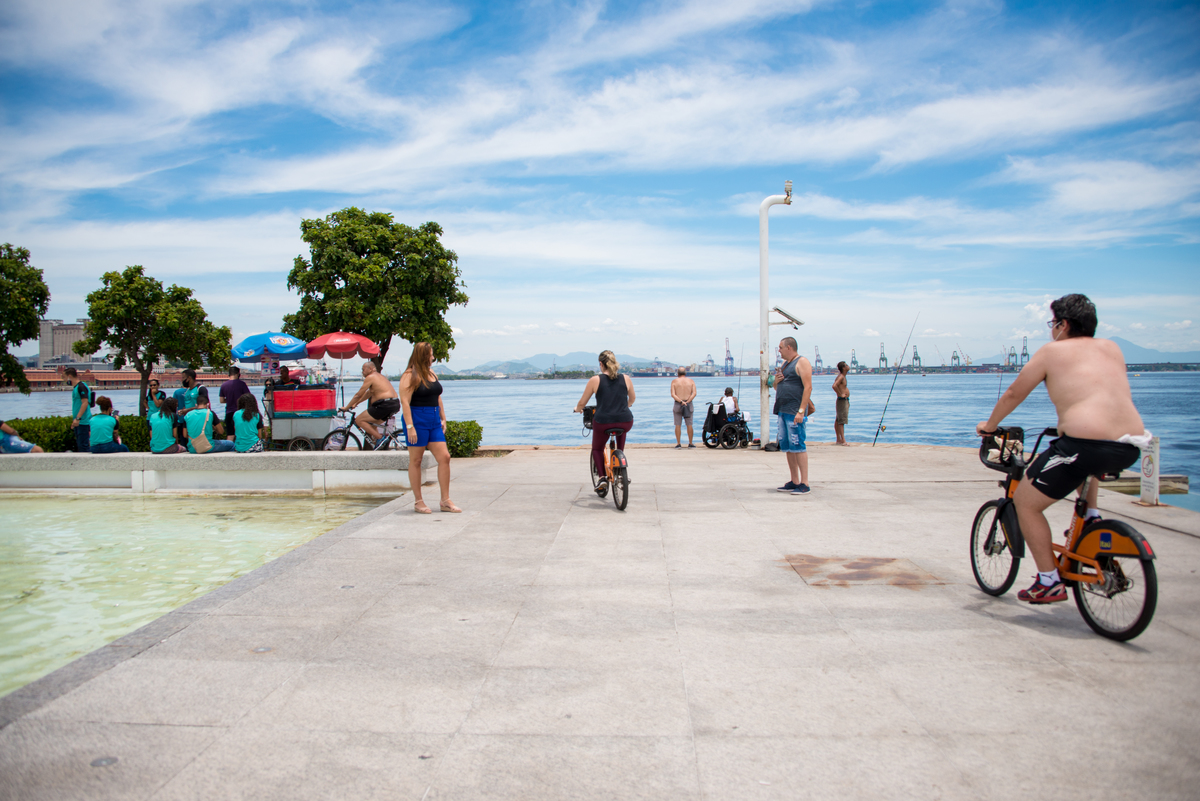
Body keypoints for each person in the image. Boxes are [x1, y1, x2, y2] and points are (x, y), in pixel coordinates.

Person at [977, 293, 1148, 604]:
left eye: (1052, 323)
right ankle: (1091, 518)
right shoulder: (1112, 348)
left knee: (1025, 504)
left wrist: (989, 426)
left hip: (1084, 445)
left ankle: (1048, 581)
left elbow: (1015, 393)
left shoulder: (1052, 352)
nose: (1051, 329)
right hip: (1129, 445)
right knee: (1087, 466)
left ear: (1064, 324)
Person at [399, 342, 459, 514]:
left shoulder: (431, 373)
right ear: (424, 355)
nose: (433, 357)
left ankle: (445, 501)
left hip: (433, 418)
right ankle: (418, 502)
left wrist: (443, 418)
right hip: (416, 418)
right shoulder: (409, 375)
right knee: (416, 460)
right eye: (431, 354)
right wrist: (410, 426)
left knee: (445, 457)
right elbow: (405, 402)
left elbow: (437, 397)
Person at [574, 350, 635, 494]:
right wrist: (625, 406)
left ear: (601, 364)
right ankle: (620, 468)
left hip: (603, 421)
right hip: (625, 420)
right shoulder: (626, 378)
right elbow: (632, 399)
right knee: (621, 428)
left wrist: (578, 408)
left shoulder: (595, 380)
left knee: (597, 448)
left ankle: (602, 478)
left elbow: (583, 402)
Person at [774, 336, 813, 494]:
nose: (779, 350)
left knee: (798, 445)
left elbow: (808, 387)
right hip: (782, 410)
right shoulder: (785, 364)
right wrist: (776, 381)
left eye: (780, 347)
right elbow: (777, 388)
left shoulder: (801, 362)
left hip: (794, 411)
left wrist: (801, 411)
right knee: (788, 447)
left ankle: (805, 482)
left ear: (789, 347)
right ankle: (794, 480)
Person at [340, 361, 400, 445]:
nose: (362, 372)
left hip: (384, 404)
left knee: (359, 420)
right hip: (394, 403)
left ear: (370, 369)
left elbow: (358, 395)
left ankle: (381, 439)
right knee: (372, 425)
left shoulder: (370, 377)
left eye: (363, 370)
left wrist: (347, 407)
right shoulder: (380, 377)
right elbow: (369, 393)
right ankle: (379, 447)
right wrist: (356, 403)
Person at [63, 367, 92, 453]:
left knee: (83, 446)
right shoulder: (76, 388)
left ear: (69, 376)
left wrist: (78, 418)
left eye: (64, 377)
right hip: (78, 422)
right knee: (80, 445)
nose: (64, 380)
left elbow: (85, 402)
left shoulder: (81, 387)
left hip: (83, 422)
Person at [219, 366, 251, 438]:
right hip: (241, 412)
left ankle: (229, 448)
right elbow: (248, 397)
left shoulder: (223, 385)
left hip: (229, 412)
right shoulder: (242, 384)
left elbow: (221, 400)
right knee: (241, 433)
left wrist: (229, 399)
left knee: (230, 434)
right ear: (237, 373)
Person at [670, 367, 697, 448]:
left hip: (678, 404)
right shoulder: (691, 381)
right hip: (688, 404)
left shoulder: (674, 381)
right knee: (689, 424)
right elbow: (694, 393)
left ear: (677, 373)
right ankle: (690, 443)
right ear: (685, 373)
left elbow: (673, 394)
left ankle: (678, 443)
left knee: (677, 424)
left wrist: (681, 402)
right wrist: (687, 402)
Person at [833, 361, 850, 446]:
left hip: (843, 400)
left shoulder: (843, 376)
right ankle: (843, 440)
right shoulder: (841, 377)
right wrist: (840, 394)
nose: (848, 366)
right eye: (846, 365)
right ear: (843, 368)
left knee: (838, 419)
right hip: (842, 400)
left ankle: (839, 439)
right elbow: (834, 385)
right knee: (841, 420)